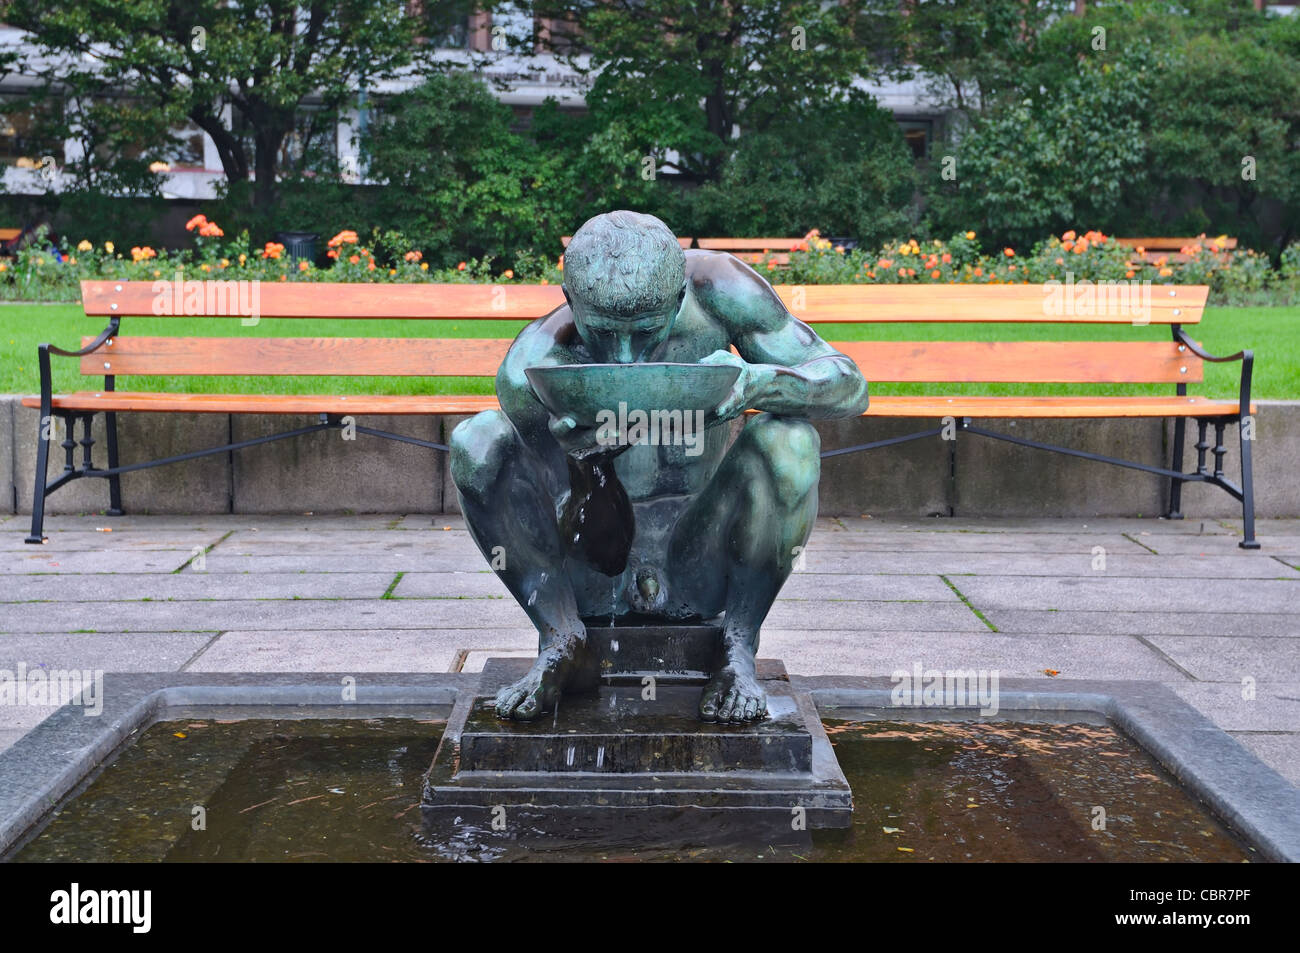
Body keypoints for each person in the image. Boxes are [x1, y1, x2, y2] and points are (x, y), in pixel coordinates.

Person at [450, 210, 869, 722]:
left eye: (646, 330)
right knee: (476, 440)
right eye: (602, 332)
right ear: (569, 300)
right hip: (597, 576)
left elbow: (850, 386)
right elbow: (596, 549)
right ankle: (560, 637)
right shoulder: (533, 370)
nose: (625, 357)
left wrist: (759, 383)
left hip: (701, 555)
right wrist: (589, 469)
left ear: (678, 299)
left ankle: (738, 649)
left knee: (790, 440)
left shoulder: (719, 288)